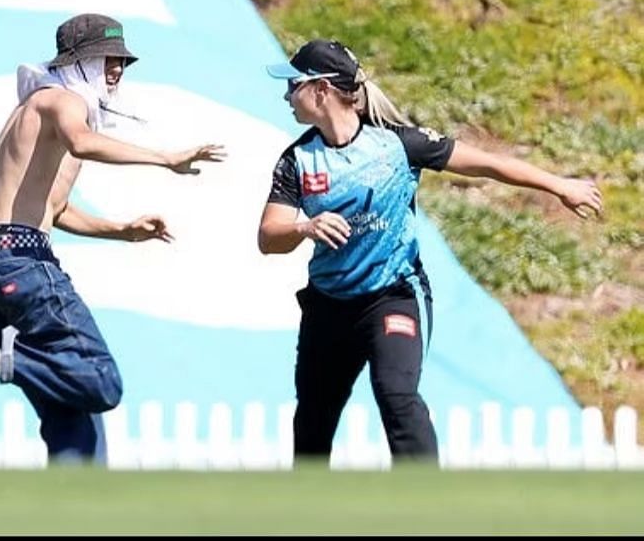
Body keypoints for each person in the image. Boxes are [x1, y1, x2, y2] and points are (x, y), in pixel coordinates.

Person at [258, 39, 603, 465]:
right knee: (314, 421)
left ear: (322, 90)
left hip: (390, 297)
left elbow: (487, 164)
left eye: (293, 84)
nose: (286, 95)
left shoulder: (399, 145)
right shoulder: (297, 161)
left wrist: (560, 185)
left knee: (397, 395)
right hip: (328, 307)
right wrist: (304, 226)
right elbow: (268, 237)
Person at [0, 13, 226, 463]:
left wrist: (122, 231)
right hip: (20, 262)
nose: (115, 70)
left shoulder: (38, 109)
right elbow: (81, 141)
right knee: (100, 378)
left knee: (73, 412)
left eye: (120, 61)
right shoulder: (62, 99)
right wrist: (165, 158)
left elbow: (54, 208)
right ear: (75, 63)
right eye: (105, 59)